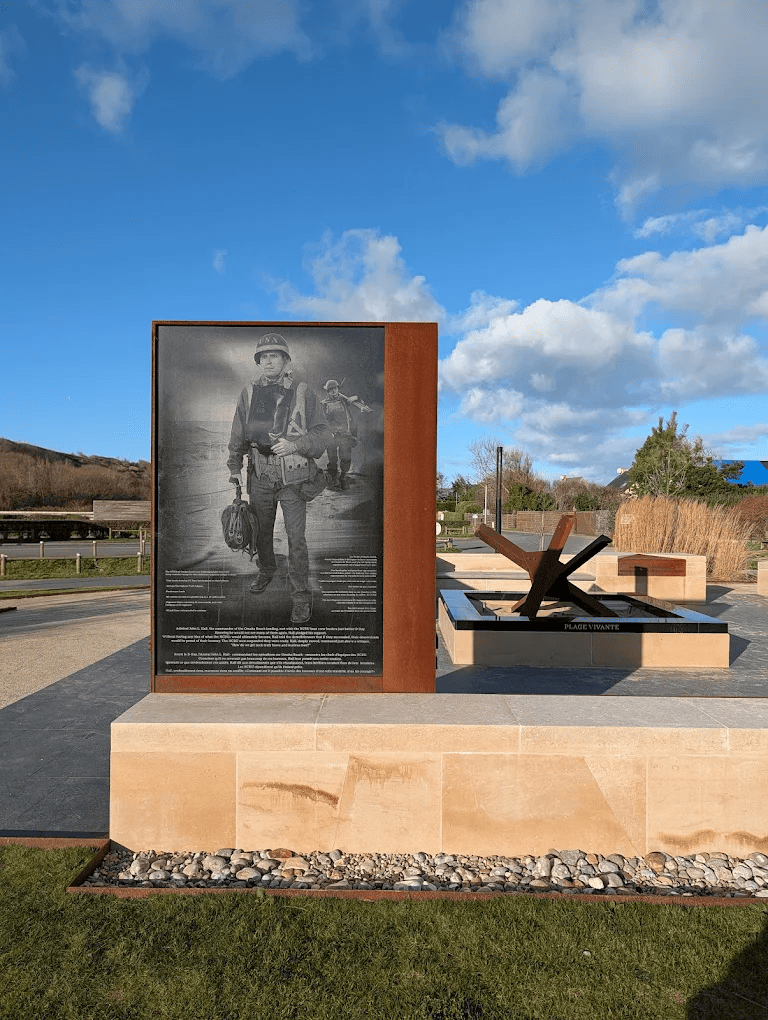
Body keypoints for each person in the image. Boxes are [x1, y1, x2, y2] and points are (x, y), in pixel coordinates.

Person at [227, 334, 331, 624]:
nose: (268, 361)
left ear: (286, 360)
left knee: (296, 539)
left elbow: (323, 433)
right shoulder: (248, 392)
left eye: (275, 355)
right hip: (259, 474)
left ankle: (300, 597)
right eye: (263, 356)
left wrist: (296, 445)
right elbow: (237, 432)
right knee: (261, 532)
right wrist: (234, 464)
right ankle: (267, 570)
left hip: (293, 479)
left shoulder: (303, 391)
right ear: (258, 362)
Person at [321, 379, 369, 489]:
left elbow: (360, 402)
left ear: (338, 389)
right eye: (331, 389)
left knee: (345, 457)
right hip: (331, 435)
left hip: (345, 434)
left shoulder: (344, 401)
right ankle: (333, 479)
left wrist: (357, 398)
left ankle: (343, 477)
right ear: (327, 392)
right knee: (332, 459)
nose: (333, 391)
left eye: (335, 388)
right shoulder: (323, 404)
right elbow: (322, 420)